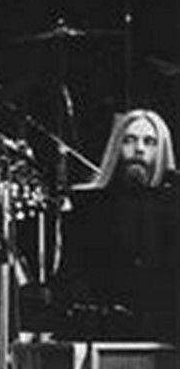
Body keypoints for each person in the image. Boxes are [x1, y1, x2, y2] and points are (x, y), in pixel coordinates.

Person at [51, 108, 176, 340]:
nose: (139, 149)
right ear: (116, 147)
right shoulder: (88, 207)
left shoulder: (172, 207)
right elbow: (71, 277)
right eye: (130, 140)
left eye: (150, 142)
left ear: (162, 151)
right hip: (105, 332)